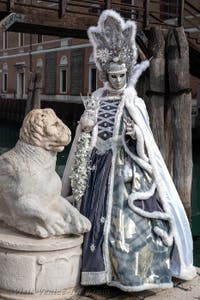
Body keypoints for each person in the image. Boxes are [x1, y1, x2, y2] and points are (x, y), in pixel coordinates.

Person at [62, 9, 196, 292]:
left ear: (126, 73)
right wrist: (85, 126)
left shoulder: (135, 101)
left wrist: (136, 135)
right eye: (113, 76)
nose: (118, 80)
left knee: (129, 220)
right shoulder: (97, 98)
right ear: (105, 75)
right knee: (94, 213)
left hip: (126, 164)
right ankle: (98, 273)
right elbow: (86, 132)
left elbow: (145, 133)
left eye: (122, 75)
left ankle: (129, 277)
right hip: (98, 162)